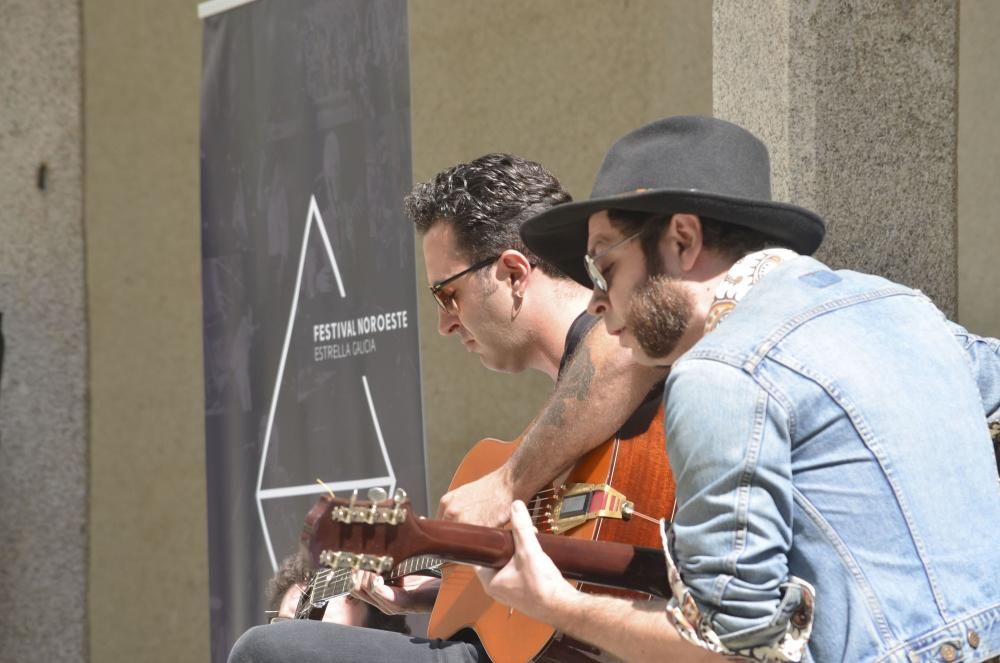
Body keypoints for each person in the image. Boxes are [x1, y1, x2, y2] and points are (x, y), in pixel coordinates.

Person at [475, 115, 1000, 662]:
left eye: (605, 265)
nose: (595, 300)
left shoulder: (721, 372)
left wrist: (555, 603)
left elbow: (729, 649)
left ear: (682, 239)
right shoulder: (901, 308)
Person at [228, 153, 668, 663]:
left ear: (512, 272)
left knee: (268, 650)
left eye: (447, 294)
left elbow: (620, 354)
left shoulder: (624, 345)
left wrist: (507, 483)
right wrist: (434, 592)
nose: (444, 324)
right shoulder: (571, 417)